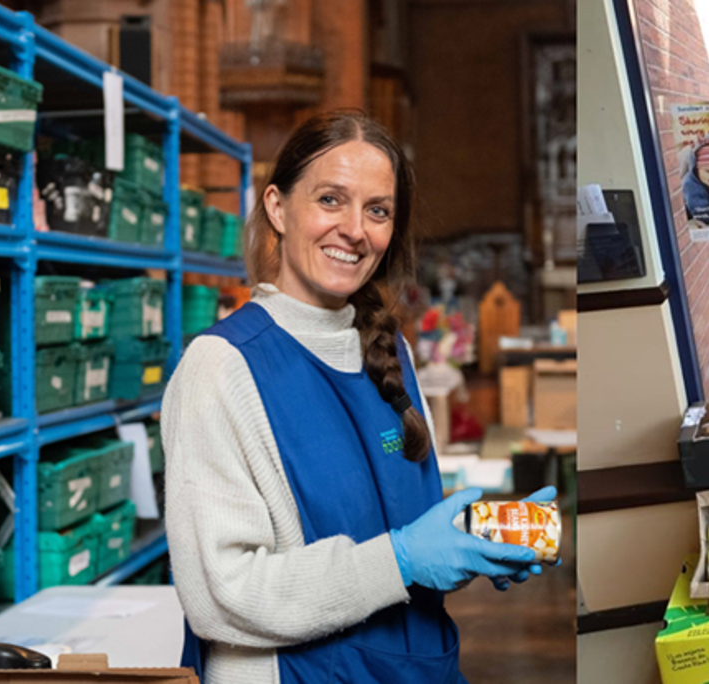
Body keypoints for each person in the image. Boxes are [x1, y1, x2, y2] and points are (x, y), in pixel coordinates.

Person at [162, 110, 555, 684]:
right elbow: (222, 595)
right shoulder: (221, 368)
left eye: (378, 211)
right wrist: (402, 559)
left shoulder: (388, 348)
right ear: (277, 206)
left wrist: (467, 544)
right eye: (329, 200)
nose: (355, 230)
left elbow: (399, 535)